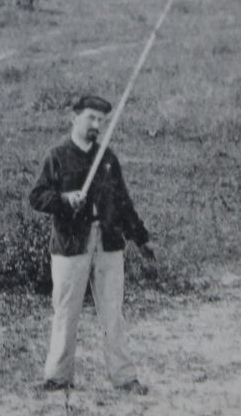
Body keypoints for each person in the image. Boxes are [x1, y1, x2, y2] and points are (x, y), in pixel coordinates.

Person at [28, 94, 155, 394]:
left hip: (109, 243)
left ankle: (124, 377)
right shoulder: (57, 155)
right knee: (65, 311)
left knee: (113, 313)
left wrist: (141, 238)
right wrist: (63, 199)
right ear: (75, 118)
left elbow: (124, 203)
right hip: (70, 245)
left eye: (101, 120)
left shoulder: (108, 159)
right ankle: (58, 377)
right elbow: (36, 197)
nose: (96, 125)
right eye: (91, 118)